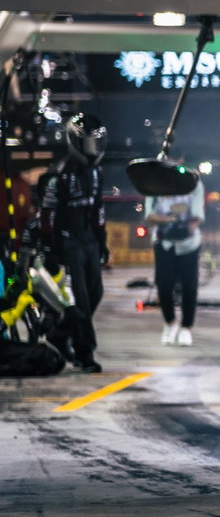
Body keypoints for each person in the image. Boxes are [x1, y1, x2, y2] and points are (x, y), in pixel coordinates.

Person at [37, 112, 109, 371]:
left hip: (89, 240)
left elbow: (98, 209)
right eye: (88, 144)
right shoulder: (59, 176)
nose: (93, 150)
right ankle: (84, 353)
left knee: (96, 293)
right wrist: (50, 249)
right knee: (81, 300)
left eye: (95, 144)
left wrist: (102, 241)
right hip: (69, 241)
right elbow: (47, 215)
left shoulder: (97, 173)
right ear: (74, 142)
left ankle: (59, 333)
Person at [145, 174, 206, 345]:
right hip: (164, 242)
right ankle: (170, 323)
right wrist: (168, 221)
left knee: (189, 286)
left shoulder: (193, 181)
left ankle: (186, 327)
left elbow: (197, 216)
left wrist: (185, 228)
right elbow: (149, 214)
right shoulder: (154, 181)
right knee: (164, 286)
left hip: (188, 243)